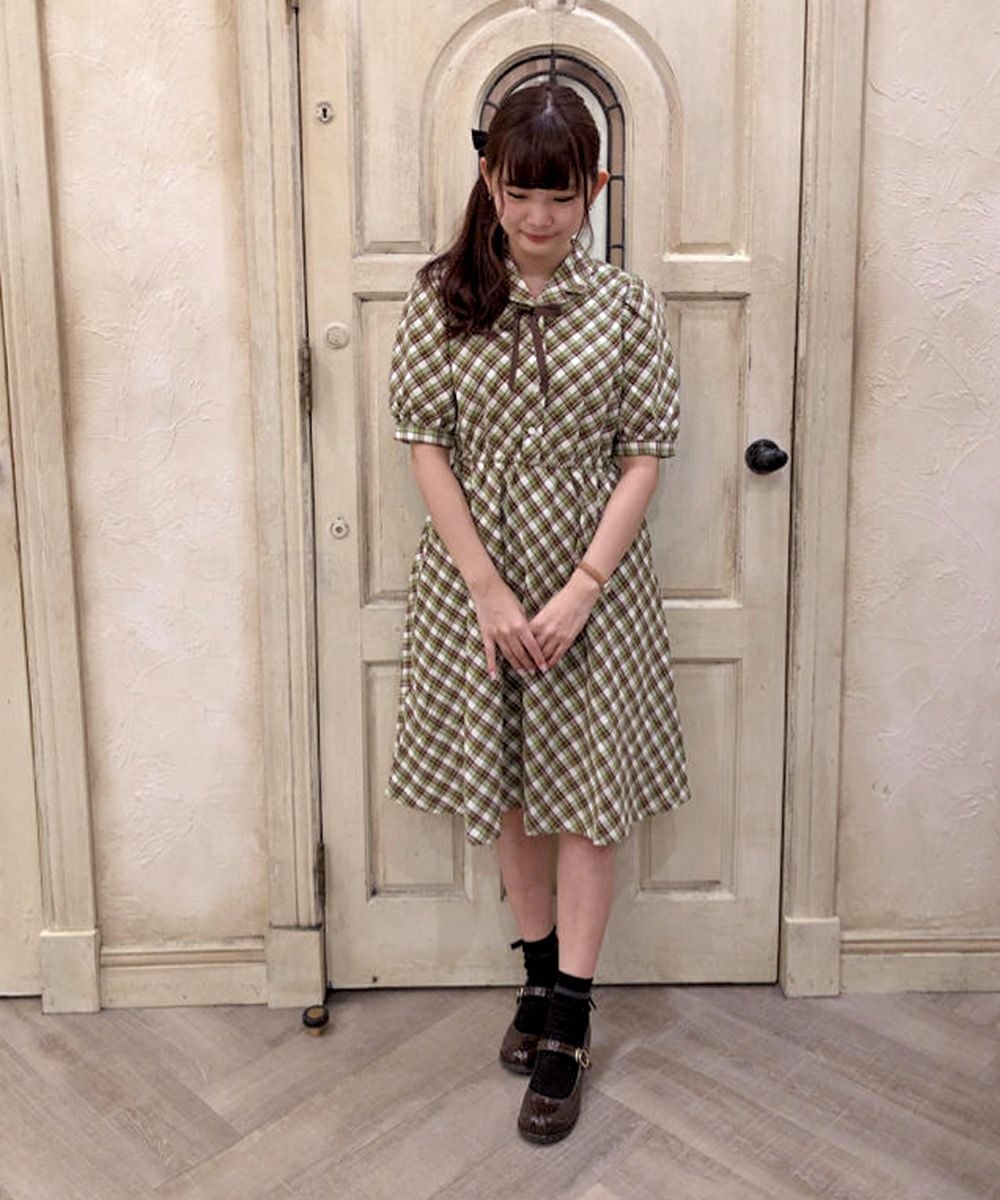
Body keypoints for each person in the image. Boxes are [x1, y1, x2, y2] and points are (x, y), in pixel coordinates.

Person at [384, 82, 691, 1144]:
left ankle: (570, 1017)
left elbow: (644, 453)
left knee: (588, 801)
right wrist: (488, 588)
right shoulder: (444, 295)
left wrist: (582, 589)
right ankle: (534, 975)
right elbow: (425, 444)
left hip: (592, 593)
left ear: (595, 188)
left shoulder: (628, 307)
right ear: (489, 179)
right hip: (476, 587)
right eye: (520, 192)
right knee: (511, 786)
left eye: (561, 195)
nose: (539, 216)